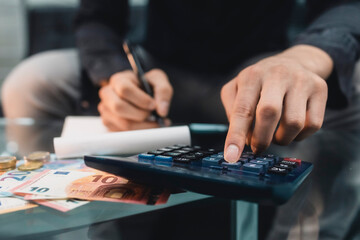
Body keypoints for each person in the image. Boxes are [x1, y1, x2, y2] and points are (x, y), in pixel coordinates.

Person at [2, 0, 360, 163]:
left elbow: (344, 7)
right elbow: (97, 17)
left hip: (258, 75)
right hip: (160, 78)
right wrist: (114, 75)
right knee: (31, 83)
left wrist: (300, 59)